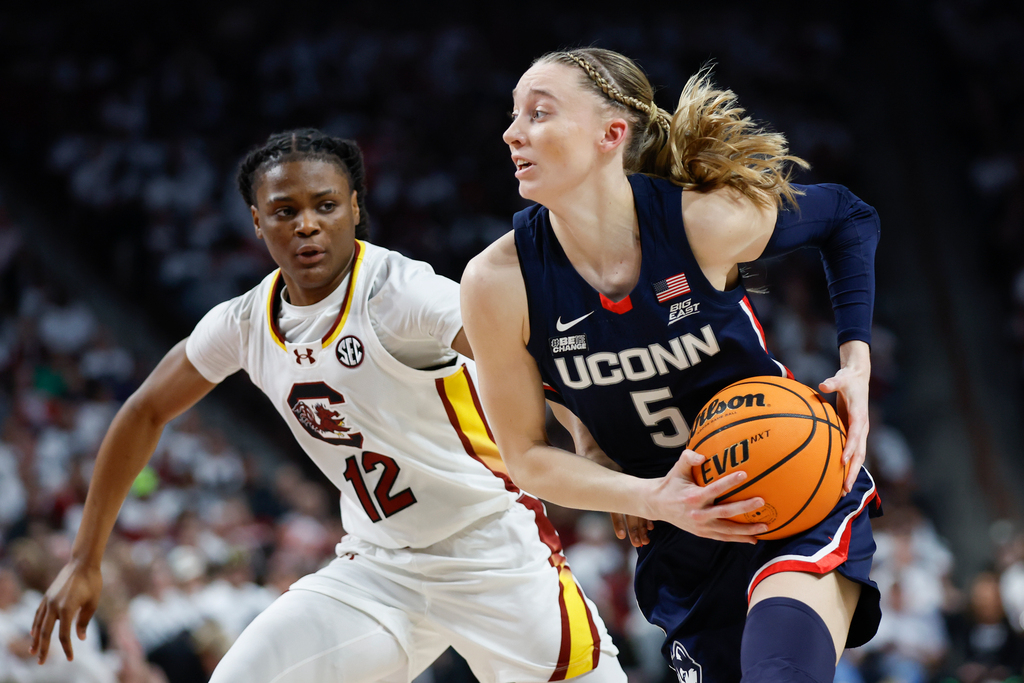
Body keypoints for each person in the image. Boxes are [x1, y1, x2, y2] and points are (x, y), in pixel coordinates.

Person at [30, 129, 626, 683]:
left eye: (325, 205)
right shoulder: (242, 323)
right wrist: (85, 558)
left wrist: (593, 447)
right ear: (258, 223)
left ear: (355, 208)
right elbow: (144, 412)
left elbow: (533, 359)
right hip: (378, 568)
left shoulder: (401, 292)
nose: (307, 225)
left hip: (489, 551)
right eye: (285, 211)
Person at [461, 48, 883, 683]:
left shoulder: (701, 223)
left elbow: (849, 217)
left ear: (611, 135)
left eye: (539, 113)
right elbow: (524, 457)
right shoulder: (497, 283)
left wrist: (856, 361)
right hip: (678, 536)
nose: (512, 132)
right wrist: (642, 489)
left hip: (791, 489)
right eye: (513, 114)